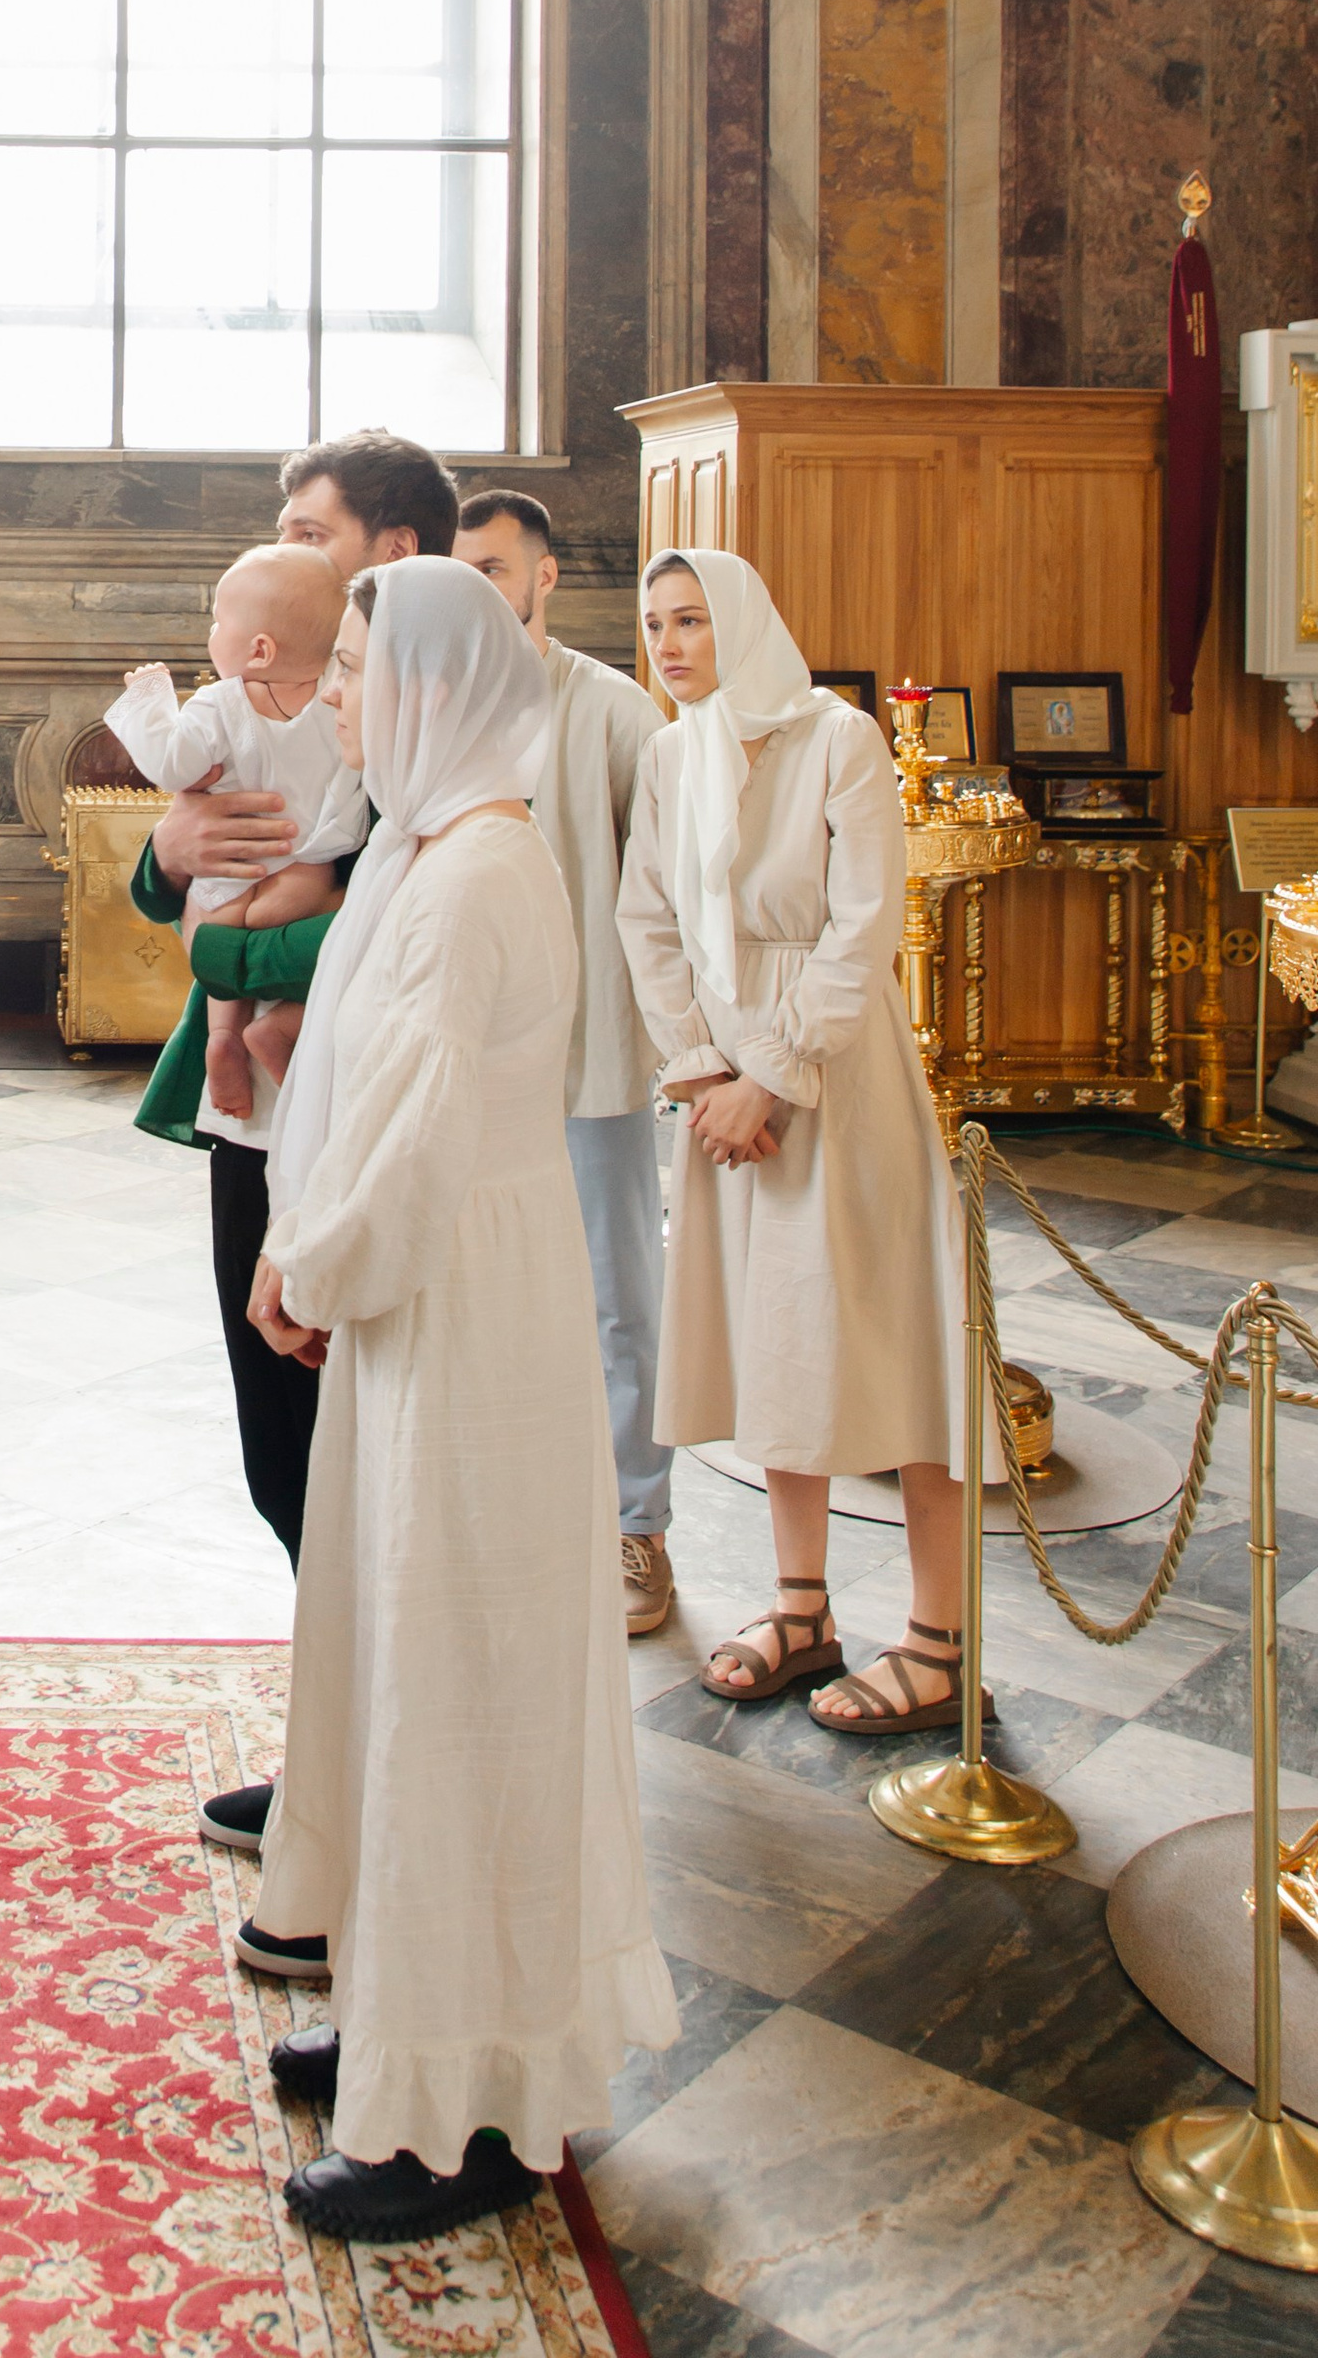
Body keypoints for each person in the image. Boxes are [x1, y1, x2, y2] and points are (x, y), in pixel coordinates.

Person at [234, 561, 676, 2241]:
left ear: (427, 685)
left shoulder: (485, 869)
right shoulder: (437, 844)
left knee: (466, 1677)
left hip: (468, 1310)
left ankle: (469, 2110)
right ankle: (410, 2010)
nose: (337, 692)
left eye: (356, 667)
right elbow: (358, 1087)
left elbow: (418, 1132)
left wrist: (314, 1265)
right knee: (395, 1653)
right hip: (425, 1296)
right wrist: (308, 1238)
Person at [616, 546, 978, 1733]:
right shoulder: (672, 755)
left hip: (837, 1077)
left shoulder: (840, 739)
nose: (669, 645)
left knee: (886, 1334)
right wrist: (702, 1072)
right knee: (775, 1342)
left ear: (745, 624)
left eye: (692, 620)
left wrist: (767, 1076)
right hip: (725, 1090)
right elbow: (647, 920)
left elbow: (864, 927)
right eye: (655, 623)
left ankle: (937, 1639)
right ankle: (801, 1608)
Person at [129, 433, 458, 1584]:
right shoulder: (292, 700)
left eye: (308, 536)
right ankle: (325, 1731)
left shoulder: (419, 723)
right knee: (275, 1437)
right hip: (256, 1112)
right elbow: (186, 844)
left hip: (359, 1110)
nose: (285, 557)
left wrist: (228, 948)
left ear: (395, 550)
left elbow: (395, 924)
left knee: (347, 1429)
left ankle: (363, 1735)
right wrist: (169, 854)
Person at [454, 491, 675, 1637]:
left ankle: (638, 1527)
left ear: (544, 577)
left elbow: (667, 879)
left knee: (615, 1295)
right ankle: (509, 1516)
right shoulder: (439, 709)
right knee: (474, 1295)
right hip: (470, 1059)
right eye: (462, 569)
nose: (479, 587)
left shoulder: (614, 711)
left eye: (495, 568)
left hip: (589, 1055)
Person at [106, 544, 365, 1116]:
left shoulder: (220, 703)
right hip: (304, 864)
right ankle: (272, 1034)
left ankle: (222, 1036)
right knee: (316, 893)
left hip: (229, 881)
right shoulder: (338, 694)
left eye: (218, 621)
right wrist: (171, 852)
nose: (212, 632)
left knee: (213, 937)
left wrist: (148, 700)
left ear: (259, 648)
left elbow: (173, 765)